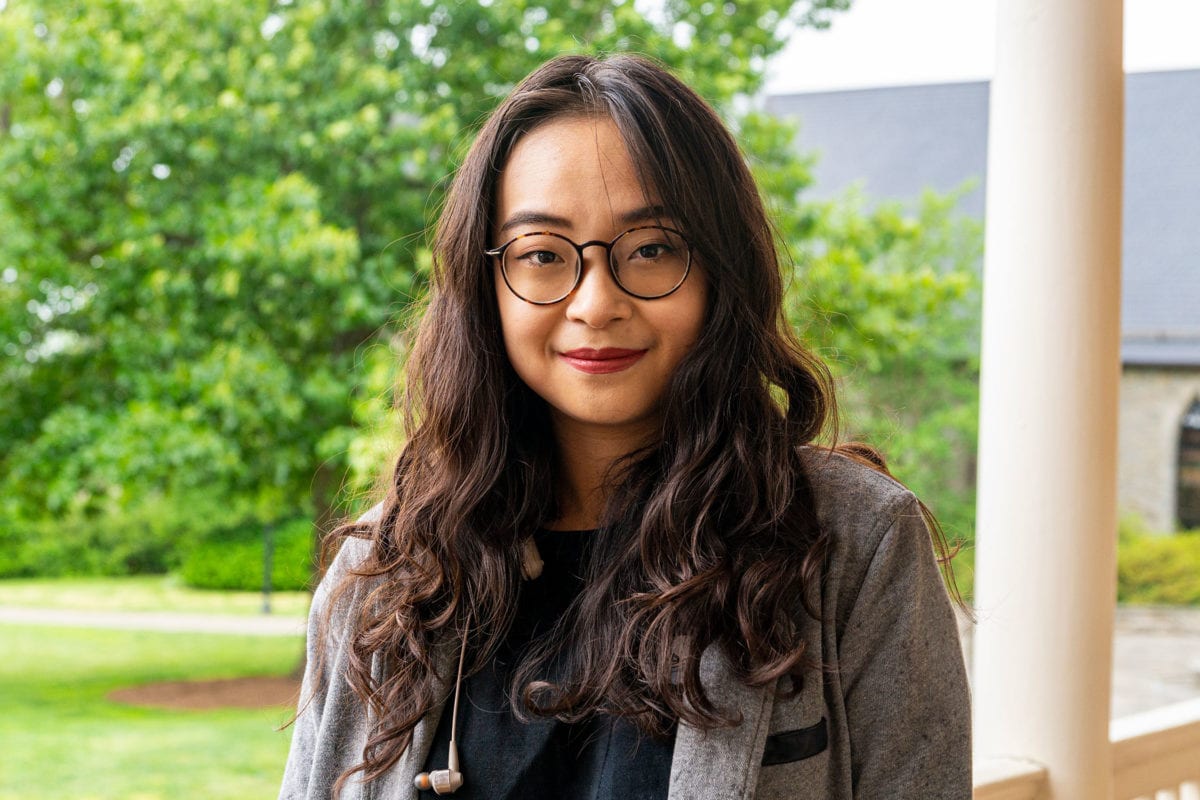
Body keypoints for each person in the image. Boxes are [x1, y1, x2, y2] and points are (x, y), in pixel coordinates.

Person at [279, 54, 971, 800]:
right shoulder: (382, 580)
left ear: (719, 270)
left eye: (650, 250)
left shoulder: (854, 546)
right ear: (487, 289)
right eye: (542, 255)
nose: (595, 302)